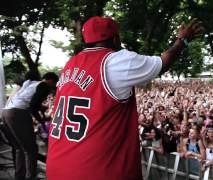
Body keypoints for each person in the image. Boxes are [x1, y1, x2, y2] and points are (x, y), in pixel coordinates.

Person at [46, 16, 202, 180]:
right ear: (115, 39)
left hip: (57, 166)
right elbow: (163, 62)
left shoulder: (70, 65)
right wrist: (182, 40)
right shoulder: (114, 61)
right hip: (94, 170)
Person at [2, 71, 58, 180]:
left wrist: (42, 110)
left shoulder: (32, 83)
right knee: (31, 149)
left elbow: (32, 103)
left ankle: (19, 176)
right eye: (54, 84)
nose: (53, 87)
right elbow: (33, 107)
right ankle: (31, 177)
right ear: (51, 81)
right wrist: (42, 121)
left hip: (6, 112)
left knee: (19, 148)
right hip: (18, 113)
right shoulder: (44, 86)